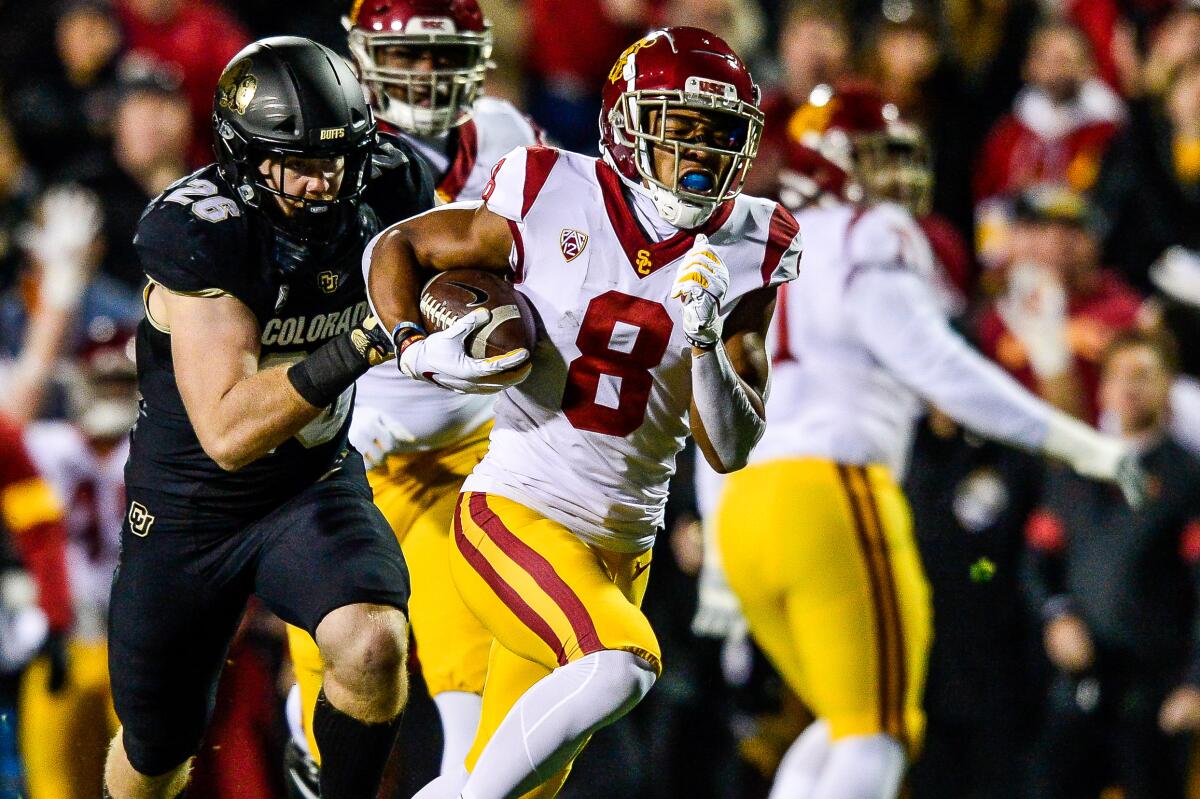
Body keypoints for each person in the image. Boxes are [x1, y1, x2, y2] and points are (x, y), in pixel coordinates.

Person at [367, 26, 802, 799]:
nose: (702, 155)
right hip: (516, 511)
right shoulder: (546, 187)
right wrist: (409, 345)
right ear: (628, 127)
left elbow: (730, 447)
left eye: (720, 135)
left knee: (499, 777)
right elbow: (397, 246)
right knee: (622, 663)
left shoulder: (749, 244)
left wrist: (704, 342)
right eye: (682, 130)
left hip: (622, 550)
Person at [711, 86, 1142, 799]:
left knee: (838, 721)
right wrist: (1080, 443)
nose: (896, 177)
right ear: (830, 159)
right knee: (880, 731)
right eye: (878, 157)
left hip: (750, 502)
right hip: (830, 491)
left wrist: (718, 563)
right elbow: (942, 370)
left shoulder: (769, 248)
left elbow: (722, 403)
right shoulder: (866, 236)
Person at [102, 37, 419, 799]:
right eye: (300, 163)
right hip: (188, 506)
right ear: (247, 159)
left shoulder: (390, 182)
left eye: (337, 160)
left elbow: (456, 236)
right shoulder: (201, 230)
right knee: (157, 748)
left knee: (374, 643)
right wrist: (369, 339)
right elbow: (229, 432)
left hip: (308, 486)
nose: (323, 182)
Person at [283, 0, 543, 791]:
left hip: (464, 446)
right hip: (342, 452)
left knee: (473, 674)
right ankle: (305, 741)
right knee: (337, 697)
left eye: (444, 55)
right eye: (412, 55)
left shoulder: (510, 138)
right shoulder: (323, 145)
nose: (427, 73)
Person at [1024, 329, 1200, 799]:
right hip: (1076, 690)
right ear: (1101, 387)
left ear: (1167, 387)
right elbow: (1038, 559)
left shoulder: (1188, 479)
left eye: (1143, 376)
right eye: (1118, 375)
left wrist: (1196, 684)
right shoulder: (1075, 466)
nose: (1128, 387)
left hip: (1155, 695)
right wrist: (1056, 614)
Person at [20, 321, 134, 799]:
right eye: (101, 379)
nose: (110, 393)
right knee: (54, 785)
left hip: (139, 643)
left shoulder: (160, 448)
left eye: (122, 382)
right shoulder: (48, 445)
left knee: (149, 783)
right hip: (66, 640)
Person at [976, 184, 1144, 423]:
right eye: (1040, 228)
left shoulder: (1124, 312)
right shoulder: (1000, 316)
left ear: (1094, 240)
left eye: (1072, 229)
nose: (1056, 242)